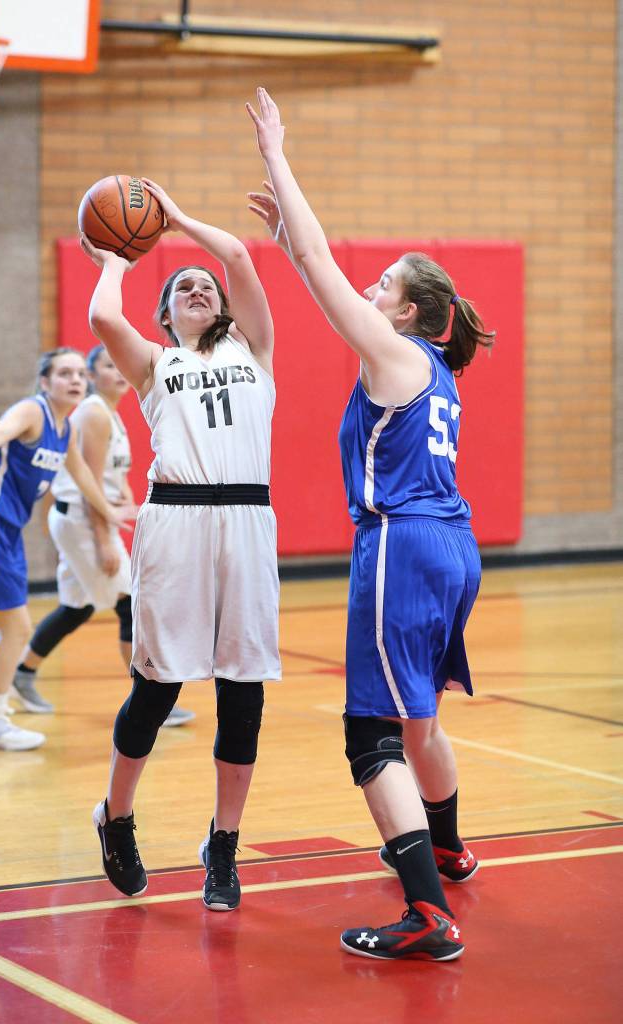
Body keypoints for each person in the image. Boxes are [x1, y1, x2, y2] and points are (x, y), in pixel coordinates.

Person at [247, 88, 494, 961]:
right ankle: (452, 848)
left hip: (402, 545)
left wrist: (278, 153)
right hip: (453, 546)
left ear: (406, 313)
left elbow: (315, 256)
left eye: (383, 283)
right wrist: (288, 241)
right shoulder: (432, 368)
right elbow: (311, 257)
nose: (370, 285)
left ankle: (426, 914)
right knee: (419, 718)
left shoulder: (390, 352)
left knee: (371, 735)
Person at [80, 179, 280, 908]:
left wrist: (172, 217)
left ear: (222, 309)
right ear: (164, 317)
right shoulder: (154, 365)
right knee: (158, 687)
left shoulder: (256, 351)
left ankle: (222, 847)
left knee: (242, 694)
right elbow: (104, 313)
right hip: (176, 522)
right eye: (181, 287)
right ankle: (117, 816)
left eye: (204, 287)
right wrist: (118, 254)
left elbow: (233, 252)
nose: (197, 285)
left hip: (247, 525)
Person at [0, 348, 132, 752]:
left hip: (5, 532)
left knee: (5, 629)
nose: (76, 380)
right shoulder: (33, 411)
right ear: (45, 382)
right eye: (65, 373)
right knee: (17, 629)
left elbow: (82, 476)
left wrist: (109, 514)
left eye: (81, 373)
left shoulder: (67, 430)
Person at [10, 344, 194, 729]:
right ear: (92, 376)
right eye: (106, 367)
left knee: (76, 608)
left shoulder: (109, 414)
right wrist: (104, 538)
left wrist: (127, 499)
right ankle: (148, 701)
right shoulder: (93, 414)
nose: (117, 372)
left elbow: (111, 476)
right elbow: (88, 482)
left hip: (85, 520)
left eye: (118, 365)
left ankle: (23, 673)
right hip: (83, 521)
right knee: (131, 603)